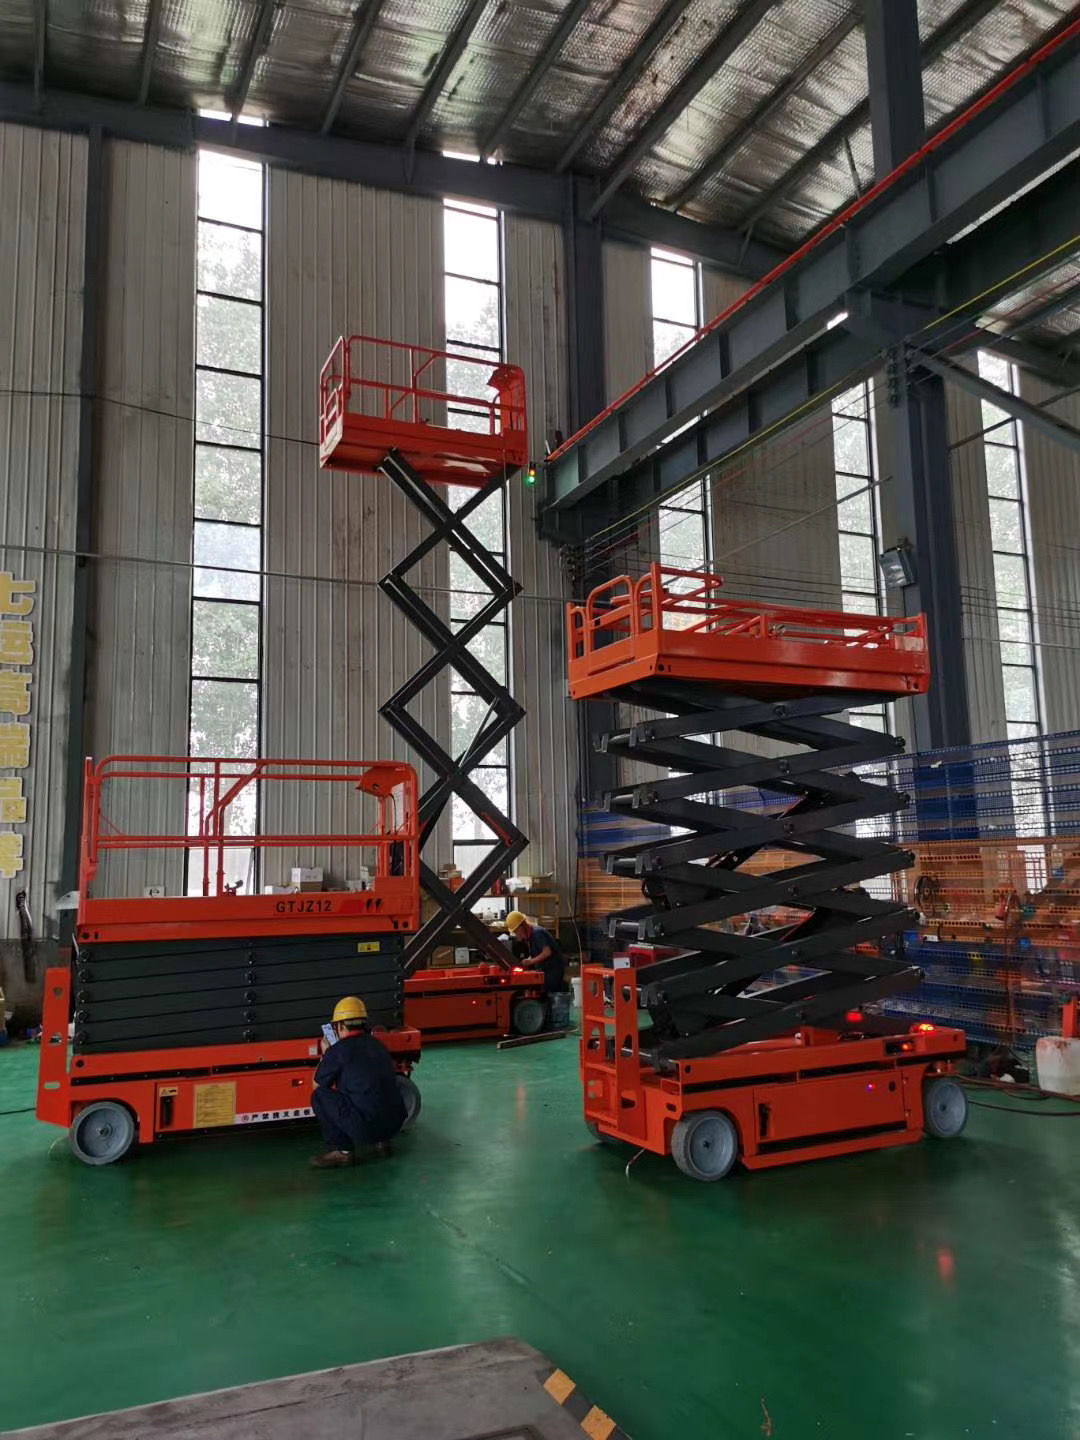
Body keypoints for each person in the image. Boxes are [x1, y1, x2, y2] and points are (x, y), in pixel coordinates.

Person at [309, 995, 407, 1170]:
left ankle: (342, 1151)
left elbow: (317, 1085)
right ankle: (382, 1142)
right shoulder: (378, 1045)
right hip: (395, 1124)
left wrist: (326, 1054)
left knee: (319, 1096)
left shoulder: (338, 1051)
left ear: (339, 1026)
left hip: (366, 1128)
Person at [505, 910, 565, 996]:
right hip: (544, 970)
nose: (517, 935)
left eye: (516, 931)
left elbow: (547, 952)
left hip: (552, 972)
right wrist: (527, 960)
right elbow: (536, 954)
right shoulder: (530, 937)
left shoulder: (537, 933)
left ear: (522, 926)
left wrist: (530, 961)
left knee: (537, 989)